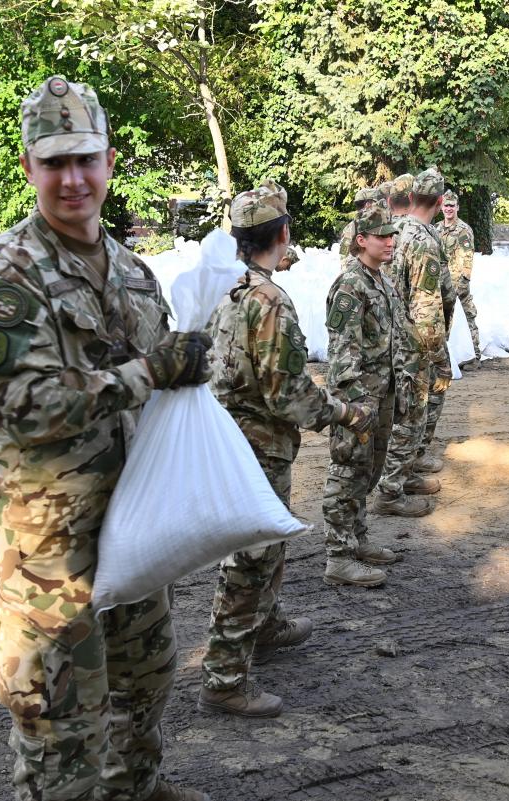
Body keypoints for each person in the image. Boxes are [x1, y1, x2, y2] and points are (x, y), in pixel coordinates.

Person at [0, 75, 208, 801]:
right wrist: (146, 371)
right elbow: (25, 407)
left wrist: (188, 368)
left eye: (85, 159)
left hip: (133, 521)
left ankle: (137, 786)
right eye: (54, 162)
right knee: (58, 721)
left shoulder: (131, 272)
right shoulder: (6, 278)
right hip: (47, 549)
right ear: (29, 167)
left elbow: (159, 380)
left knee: (145, 679)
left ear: (110, 162)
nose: (73, 179)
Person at [199, 184, 373, 717]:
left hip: (230, 436)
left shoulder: (226, 288)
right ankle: (225, 677)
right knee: (251, 556)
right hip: (260, 443)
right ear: (282, 235)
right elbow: (287, 392)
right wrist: (344, 412)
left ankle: (266, 626)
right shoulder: (268, 300)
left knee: (269, 539)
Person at [321, 205, 409, 587]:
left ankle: (357, 538)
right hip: (358, 399)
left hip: (382, 395)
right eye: (382, 236)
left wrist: (399, 389)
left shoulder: (383, 282)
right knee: (347, 472)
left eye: (392, 236)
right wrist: (356, 402)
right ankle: (337, 557)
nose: (390, 242)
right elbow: (342, 353)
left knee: (369, 472)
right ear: (362, 241)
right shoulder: (350, 286)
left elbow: (393, 343)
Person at [372, 167, 451, 516]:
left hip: (389, 336)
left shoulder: (396, 228)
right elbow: (426, 303)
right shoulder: (424, 239)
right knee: (413, 413)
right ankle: (390, 490)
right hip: (413, 340)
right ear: (438, 201)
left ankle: (407, 471)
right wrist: (438, 353)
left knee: (401, 410)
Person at [436, 189, 480, 368]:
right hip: (442, 282)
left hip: (457, 281)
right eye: (446, 205)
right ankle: (451, 355)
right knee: (446, 319)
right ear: (441, 207)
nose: (448, 209)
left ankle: (474, 356)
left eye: (452, 206)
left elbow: (468, 256)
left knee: (468, 317)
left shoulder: (463, 230)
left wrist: (464, 280)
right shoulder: (437, 228)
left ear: (457, 207)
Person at [337, 187, 381, 266]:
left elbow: (343, 254)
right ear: (368, 204)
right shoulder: (375, 226)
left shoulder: (349, 228)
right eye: (376, 202)